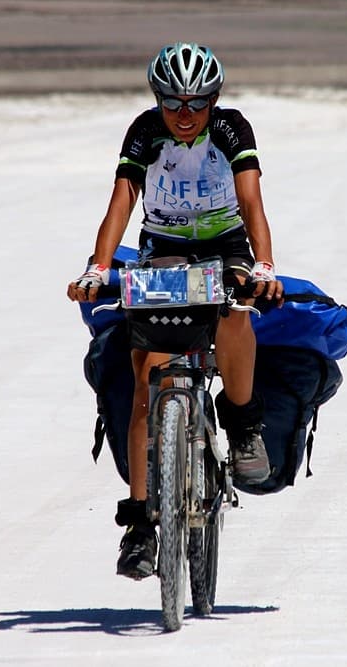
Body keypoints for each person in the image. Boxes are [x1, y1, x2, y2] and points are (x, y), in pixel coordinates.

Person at [67, 42, 283, 580]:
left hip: (226, 244)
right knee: (149, 375)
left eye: (196, 103)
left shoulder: (232, 130)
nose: (184, 115)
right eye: (172, 103)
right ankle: (140, 524)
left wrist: (264, 266)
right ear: (157, 100)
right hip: (162, 245)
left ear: (214, 100)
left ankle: (244, 423)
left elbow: (251, 202)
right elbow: (121, 203)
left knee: (237, 309)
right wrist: (98, 268)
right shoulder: (144, 132)